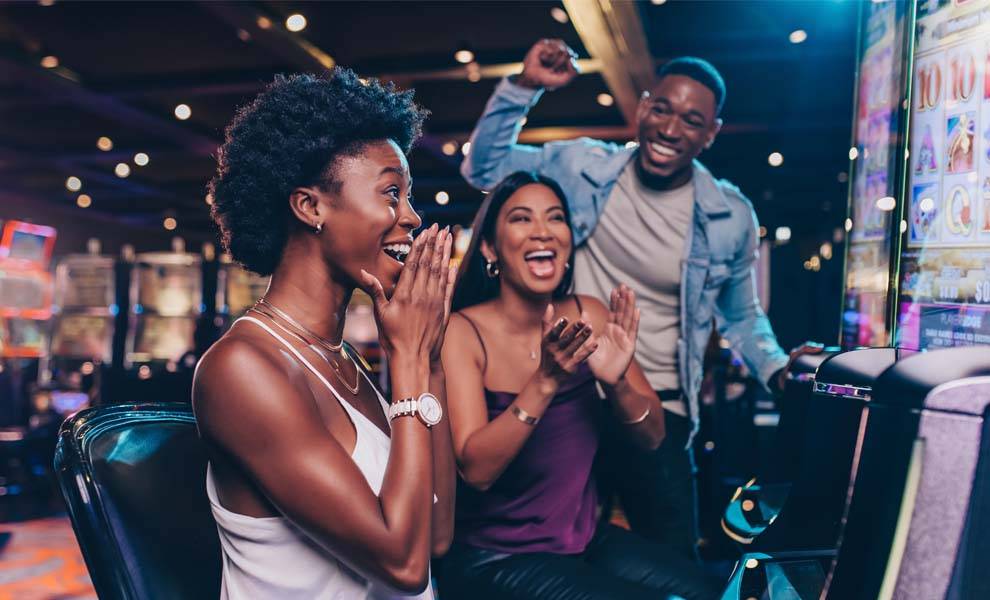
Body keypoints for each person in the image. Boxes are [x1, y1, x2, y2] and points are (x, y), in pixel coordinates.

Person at [460, 39, 819, 560]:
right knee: (554, 551)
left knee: (673, 560)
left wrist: (776, 370)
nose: (670, 129)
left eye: (692, 121)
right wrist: (525, 87)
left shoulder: (728, 216)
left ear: (711, 133)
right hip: (571, 395)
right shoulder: (582, 167)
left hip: (657, 409)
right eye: (662, 109)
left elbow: (740, 314)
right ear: (644, 104)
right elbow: (483, 169)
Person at [193, 69, 456, 599]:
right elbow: (404, 566)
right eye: (391, 193)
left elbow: (439, 536)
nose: (411, 216)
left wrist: (428, 358)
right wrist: (406, 362)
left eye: (408, 196)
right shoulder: (241, 368)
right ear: (310, 207)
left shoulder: (343, 361)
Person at [437, 171, 721, 599]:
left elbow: (653, 437)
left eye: (555, 218)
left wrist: (619, 382)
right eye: (521, 219)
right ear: (490, 248)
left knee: (709, 590)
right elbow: (476, 470)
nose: (542, 232)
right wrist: (546, 381)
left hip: (582, 542)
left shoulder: (589, 314)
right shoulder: (463, 332)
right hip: (495, 558)